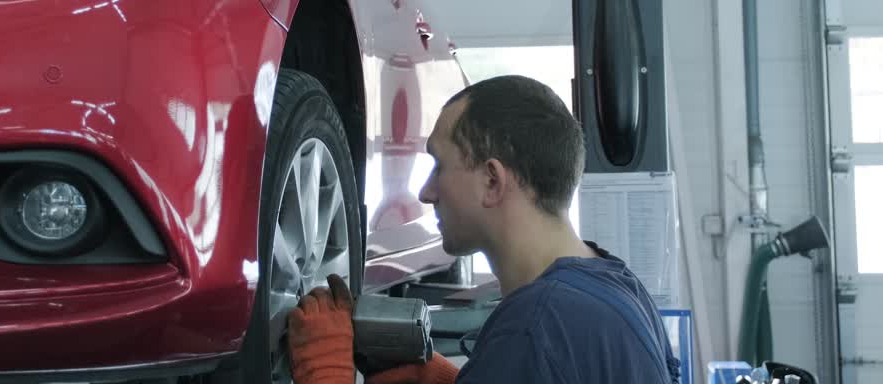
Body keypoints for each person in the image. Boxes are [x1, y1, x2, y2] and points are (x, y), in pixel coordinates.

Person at [286, 75, 680, 384]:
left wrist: (326, 376)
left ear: (492, 181)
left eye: (439, 165)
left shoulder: (535, 328)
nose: (426, 192)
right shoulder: (619, 287)